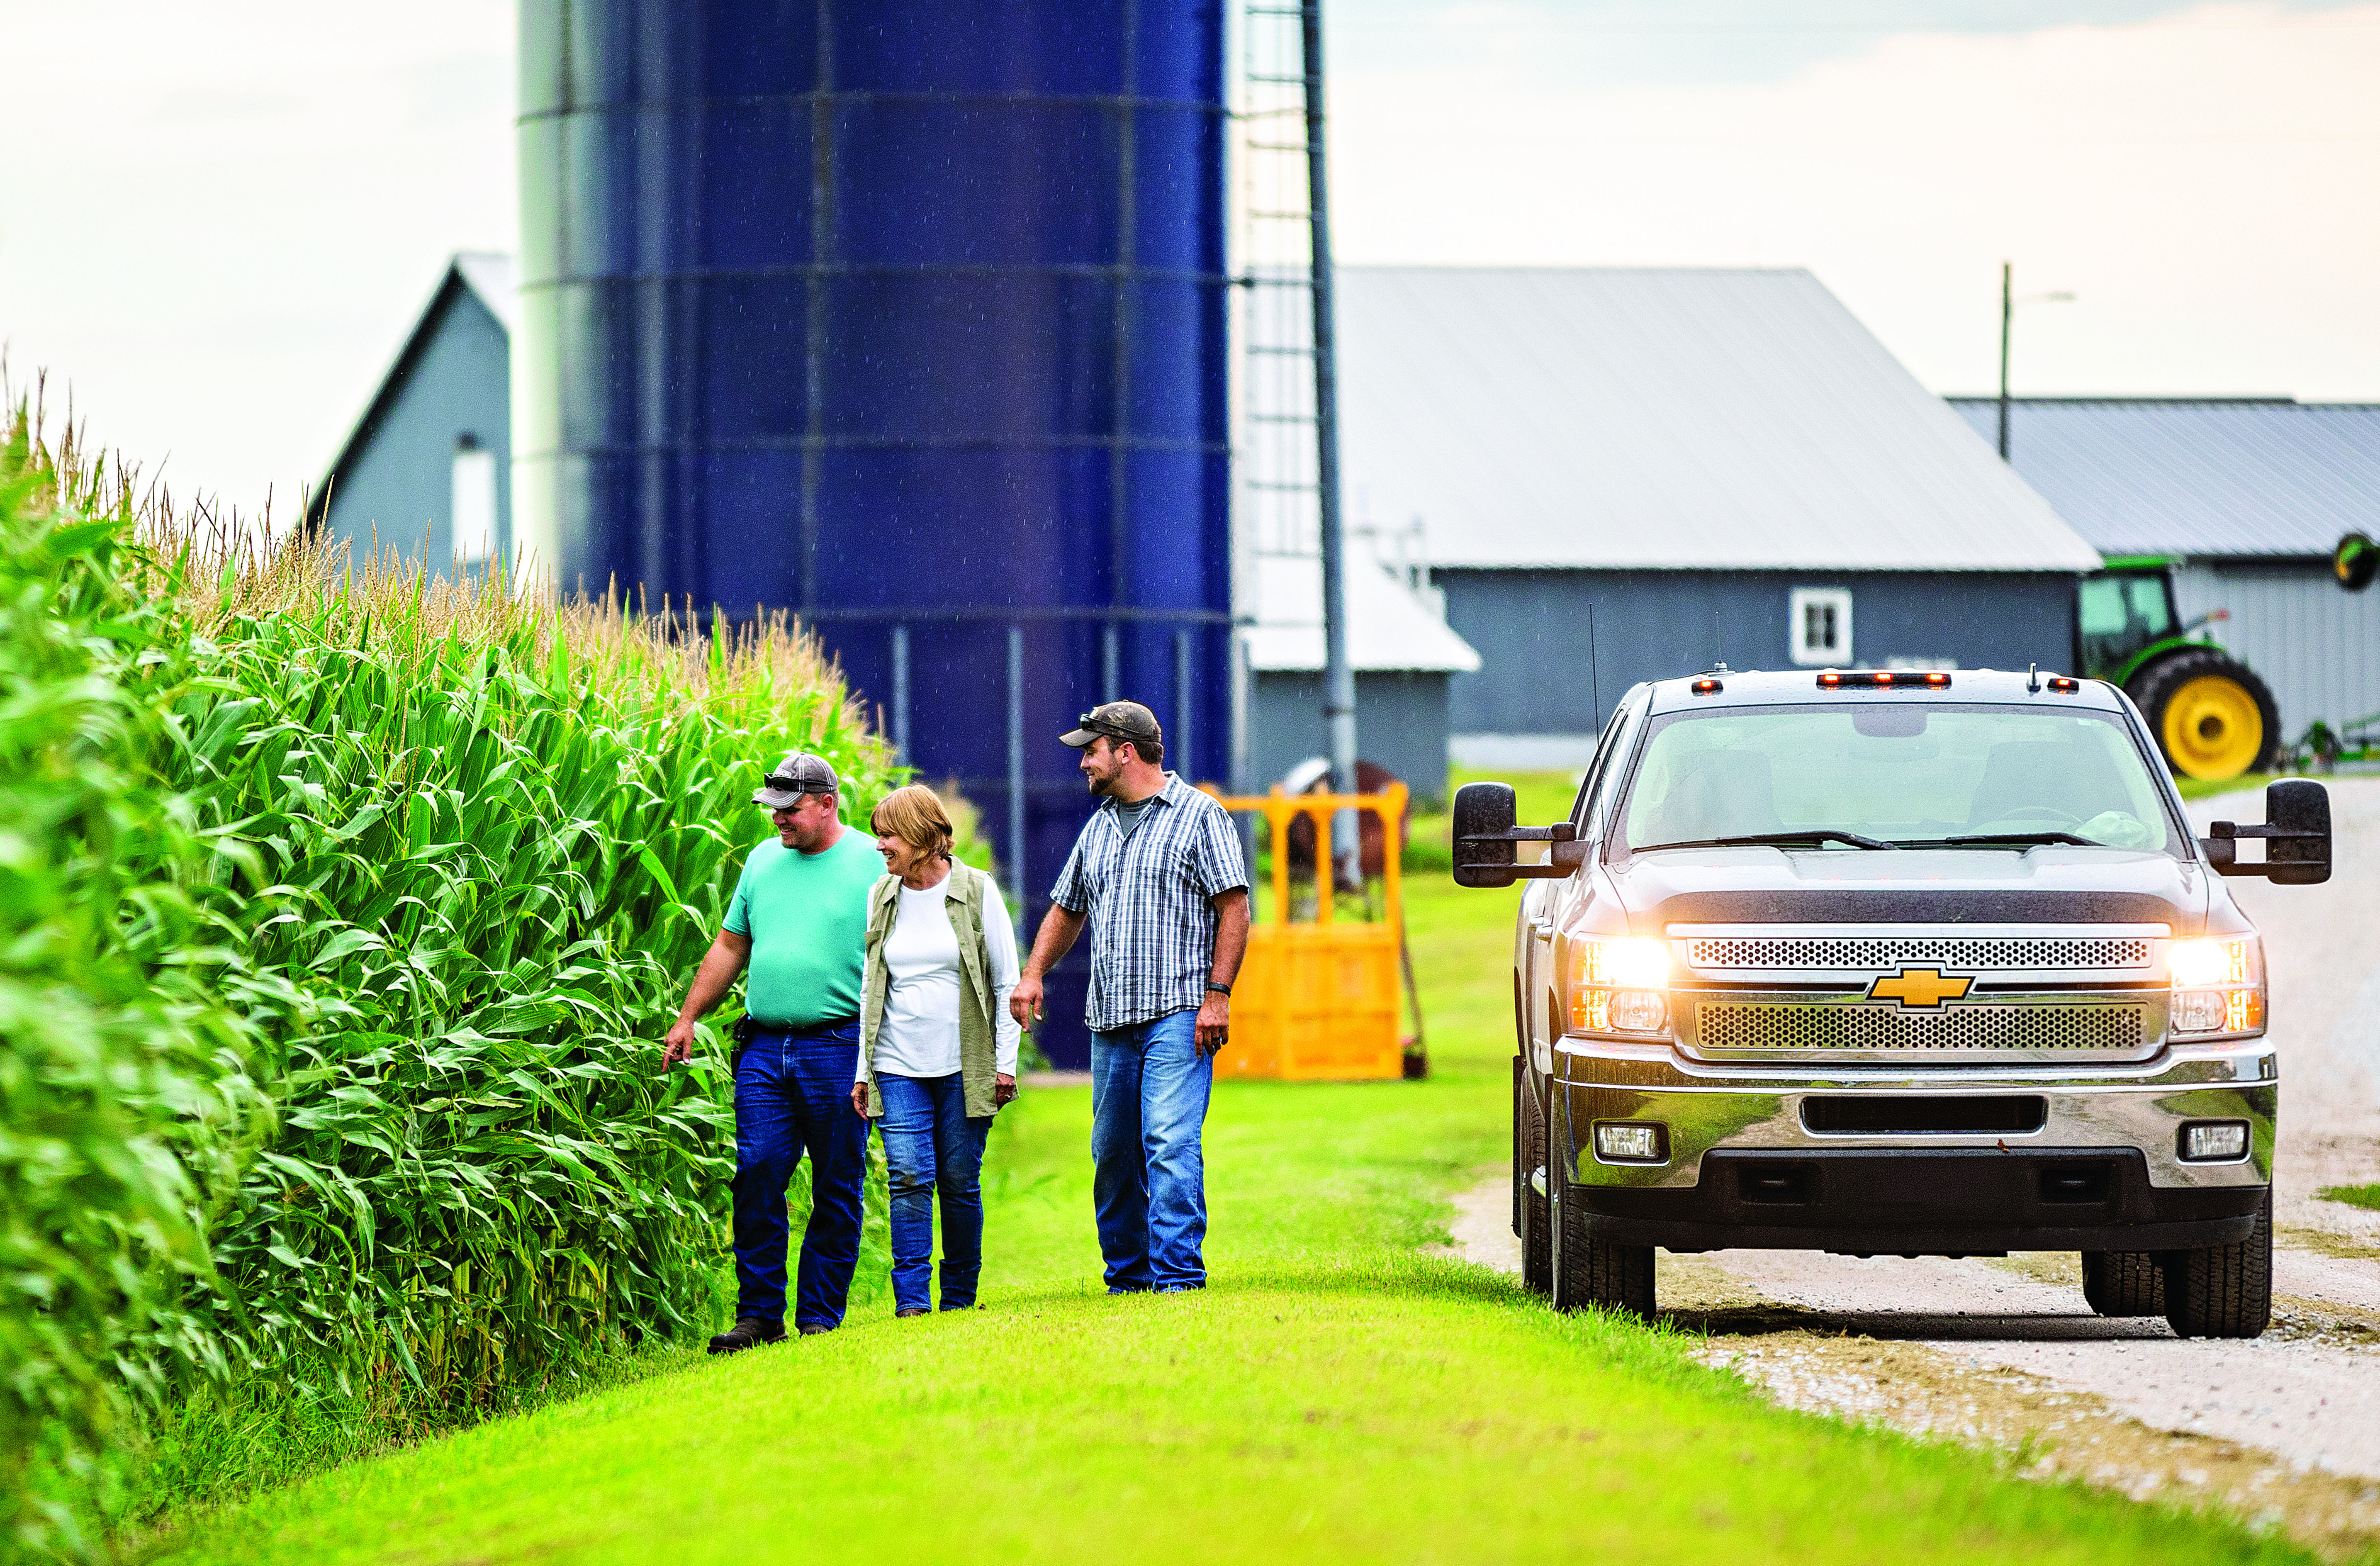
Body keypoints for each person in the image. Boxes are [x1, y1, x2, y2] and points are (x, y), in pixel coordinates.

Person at [1010, 701, 1251, 1294]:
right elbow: (1068, 907)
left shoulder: (1200, 815)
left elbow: (1234, 908)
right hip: (1110, 1018)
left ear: (1124, 750)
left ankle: (1176, 1279)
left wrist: (1217, 995)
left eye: (1090, 751)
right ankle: (1127, 1279)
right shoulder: (1099, 826)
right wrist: (1033, 972)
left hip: (1177, 1010)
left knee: (1168, 1140)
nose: (1083, 763)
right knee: (1113, 1153)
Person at [662, 751, 881, 1352]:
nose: (778, 821)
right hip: (763, 1046)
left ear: (827, 803)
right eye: (773, 810)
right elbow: (731, 946)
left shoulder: (871, 860)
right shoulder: (762, 861)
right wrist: (688, 1017)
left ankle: (818, 1314)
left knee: (838, 1181)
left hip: (839, 1045)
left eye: (790, 809)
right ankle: (759, 1315)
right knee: (758, 1170)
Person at [847, 785, 1024, 1316]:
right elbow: (870, 988)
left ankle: (959, 1298)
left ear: (924, 836)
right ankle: (912, 1303)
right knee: (906, 1174)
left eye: (889, 835)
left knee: (958, 1181)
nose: (880, 845)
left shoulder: (977, 891)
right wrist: (863, 1071)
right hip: (896, 1064)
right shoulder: (882, 895)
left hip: (965, 1064)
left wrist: (1004, 1064)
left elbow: (1005, 983)